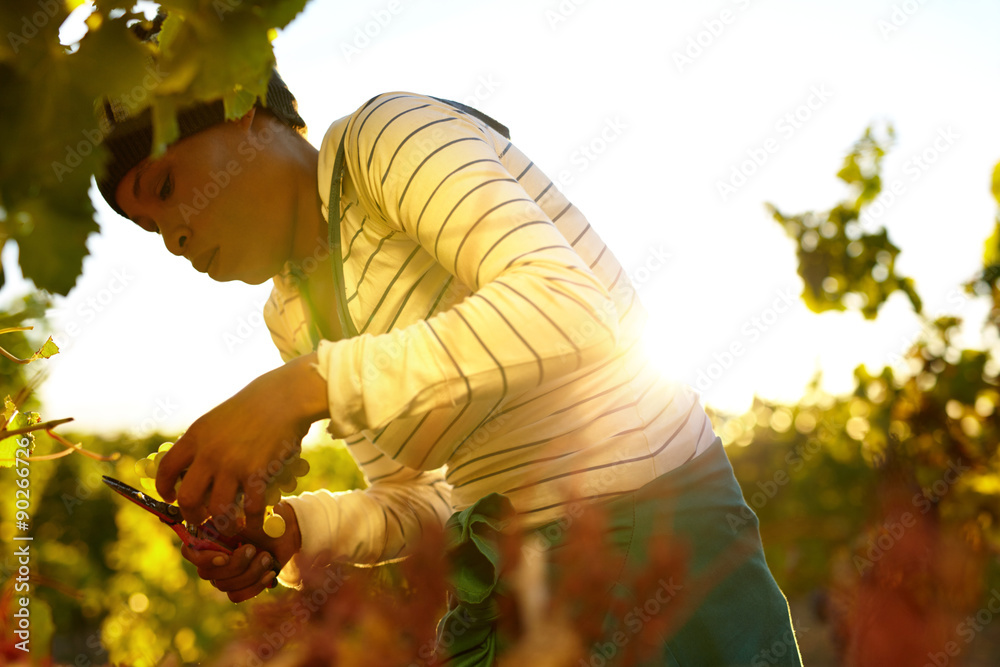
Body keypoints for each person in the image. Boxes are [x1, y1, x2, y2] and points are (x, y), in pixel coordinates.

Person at [98, 54, 803, 664]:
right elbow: (433, 500)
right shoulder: (291, 313)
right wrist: (293, 532)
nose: (174, 239)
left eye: (166, 187)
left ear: (241, 102)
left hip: (657, 546)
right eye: (151, 227)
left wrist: (301, 388)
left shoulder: (385, 136)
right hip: (521, 590)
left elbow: (569, 306)